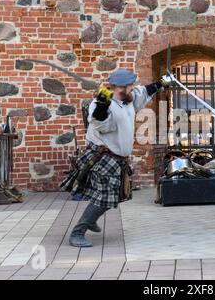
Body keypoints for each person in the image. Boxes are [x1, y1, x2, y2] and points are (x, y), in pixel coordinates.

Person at [61, 68, 172, 247]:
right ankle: (77, 233)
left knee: (111, 196)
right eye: (130, 86)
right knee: (104, 197)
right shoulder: (101, 104)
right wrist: (103, 106)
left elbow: (144, 91)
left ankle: (90, 221)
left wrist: (162, 83)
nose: (133, 89)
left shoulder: (128, 99)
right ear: (120, 88)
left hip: (117, 158)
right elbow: (100, 124)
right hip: (104, 156)